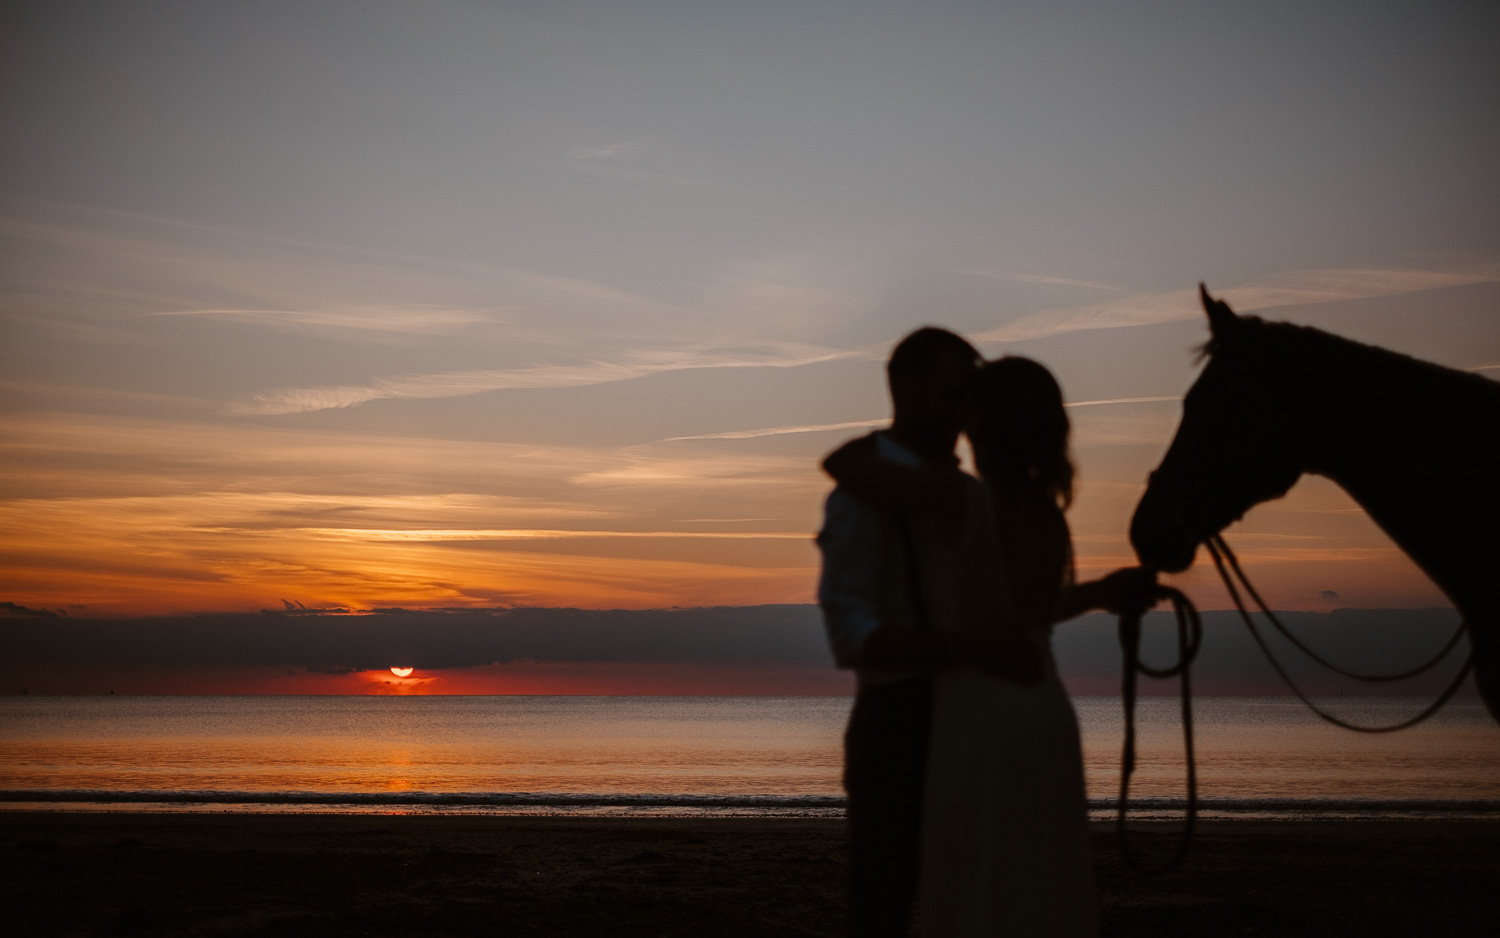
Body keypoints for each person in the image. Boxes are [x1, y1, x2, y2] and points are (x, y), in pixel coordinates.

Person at [823, 355, 1155, 937]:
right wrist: (1100, 593)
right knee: (1035, 885)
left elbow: (844, 464)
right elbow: (1025, 617)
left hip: (983, 710)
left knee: (983, 888)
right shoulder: (1047, 511)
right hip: (1043, 703)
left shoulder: (961, 497)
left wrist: (854, 451)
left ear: (985, 422)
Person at [816, 328, 1046, 938]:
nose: (967, 408)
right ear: (910, 389)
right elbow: (853, 635)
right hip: (898, 724)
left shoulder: (969, 491)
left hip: (977, 722)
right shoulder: (863, 492)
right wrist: (971, 650)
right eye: (954, 391)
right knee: (884, 903)